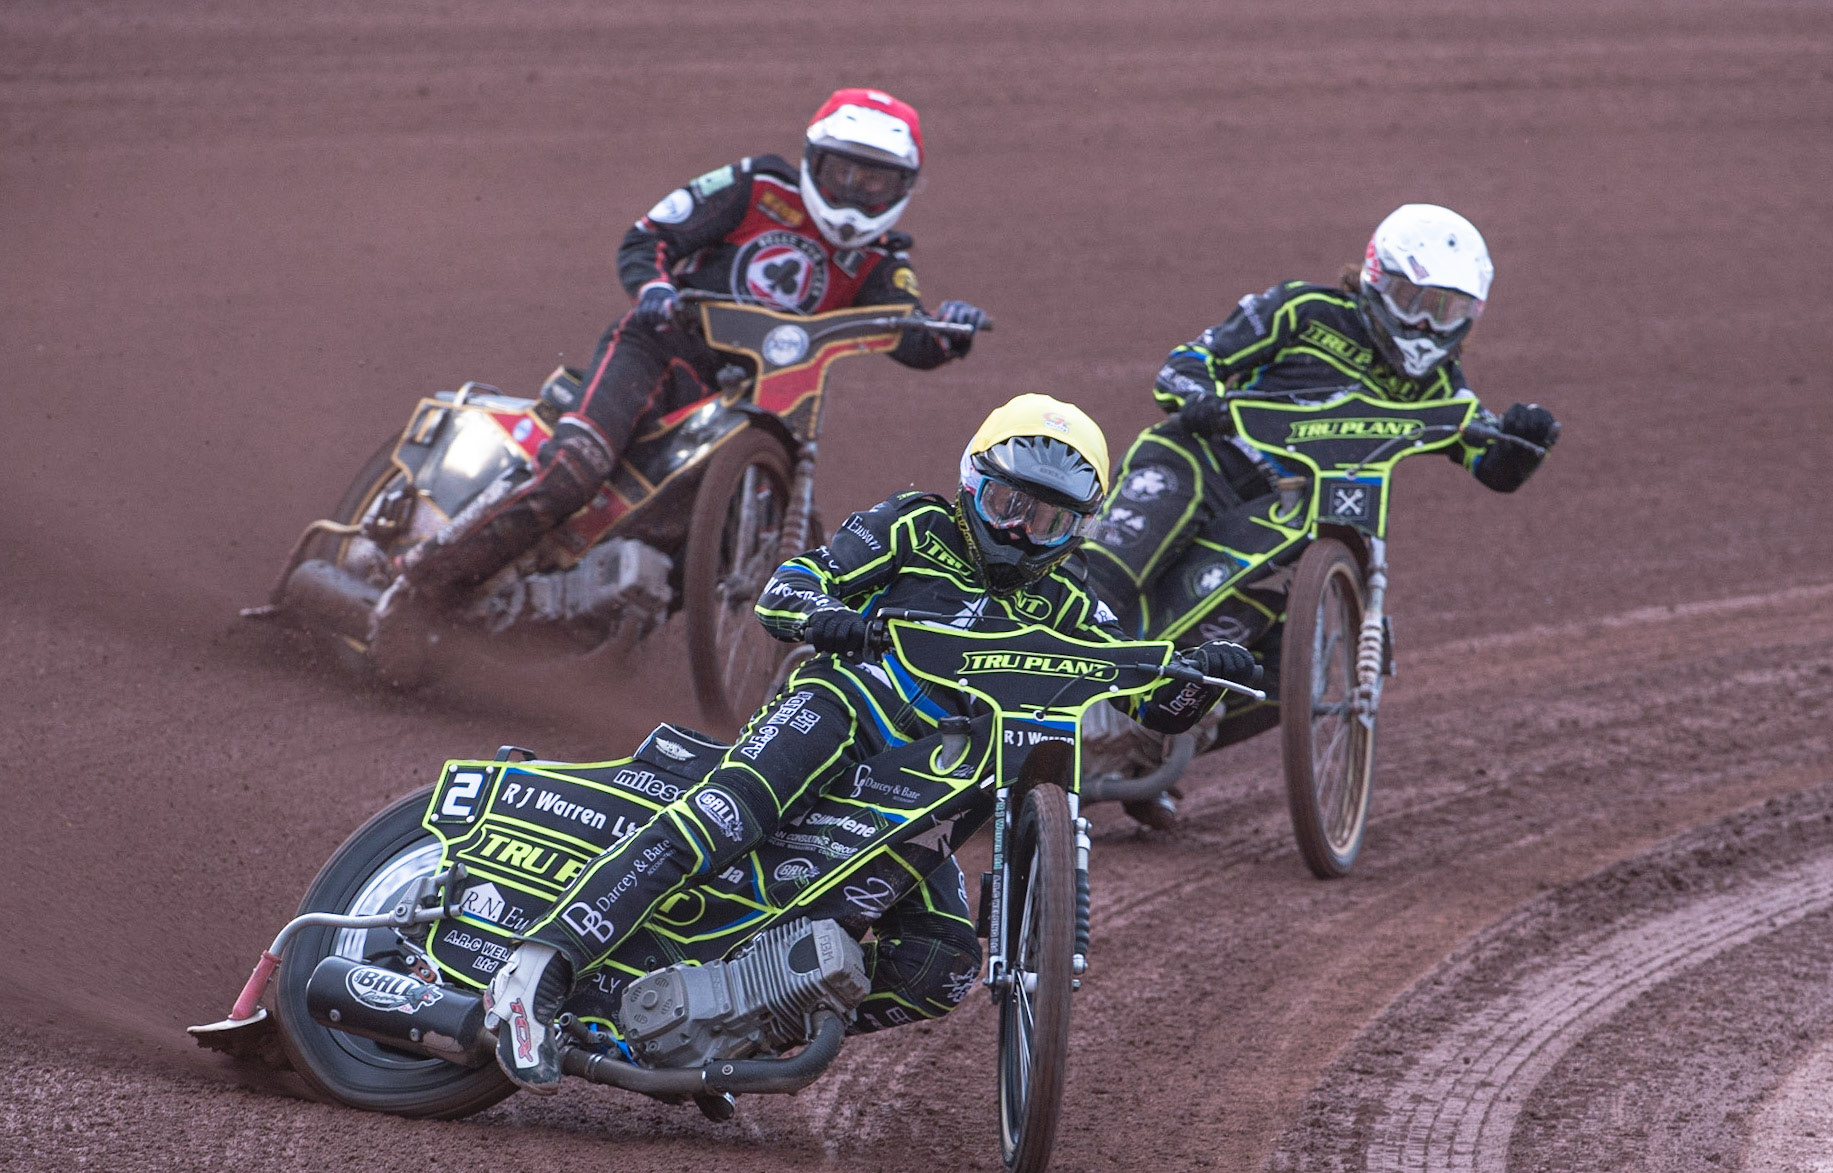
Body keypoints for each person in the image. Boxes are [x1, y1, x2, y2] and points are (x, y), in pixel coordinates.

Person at [481, 394, 1262, 1091]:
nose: (1020, 532)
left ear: (1077, 527)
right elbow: (790, 586)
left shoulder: (1068, 598)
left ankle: (738, 1022)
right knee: (722, 817)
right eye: (1005, 502)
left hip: (934, 783)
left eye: (1048, 519)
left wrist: (1200, 679)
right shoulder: (915, 526)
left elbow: (1149, 705)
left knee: (941, 964)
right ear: (971, 481)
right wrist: (833, 618)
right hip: (844, 709)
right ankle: (536, 966)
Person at [370, 87, 988, 669]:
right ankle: (419, 585)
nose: (853, 192)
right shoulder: (756, 187)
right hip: (661, 352)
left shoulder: (883, 262)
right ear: (812, 161)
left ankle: (604, 646)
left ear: (903, 188)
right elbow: (648, 238)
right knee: (577, 468)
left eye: (873, 180)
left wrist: (948, 331)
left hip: (753, 404)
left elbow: (911, 334)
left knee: (725, 546)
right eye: (841, 173)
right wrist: (656, 288)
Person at [1084, 203, 1561, 645]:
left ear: (1471, 314)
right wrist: (1201, 398)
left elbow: (1489, 459)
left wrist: (1524, 442)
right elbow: (1188, 361)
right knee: (1103, 583)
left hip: (1302, 510)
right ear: (1377, 278)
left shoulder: (1438, 385)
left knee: (1293, 648)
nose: (1424, 325)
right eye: (1411, 300)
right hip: (1203, 466)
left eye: (1445, 310)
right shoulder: (1303, 310)